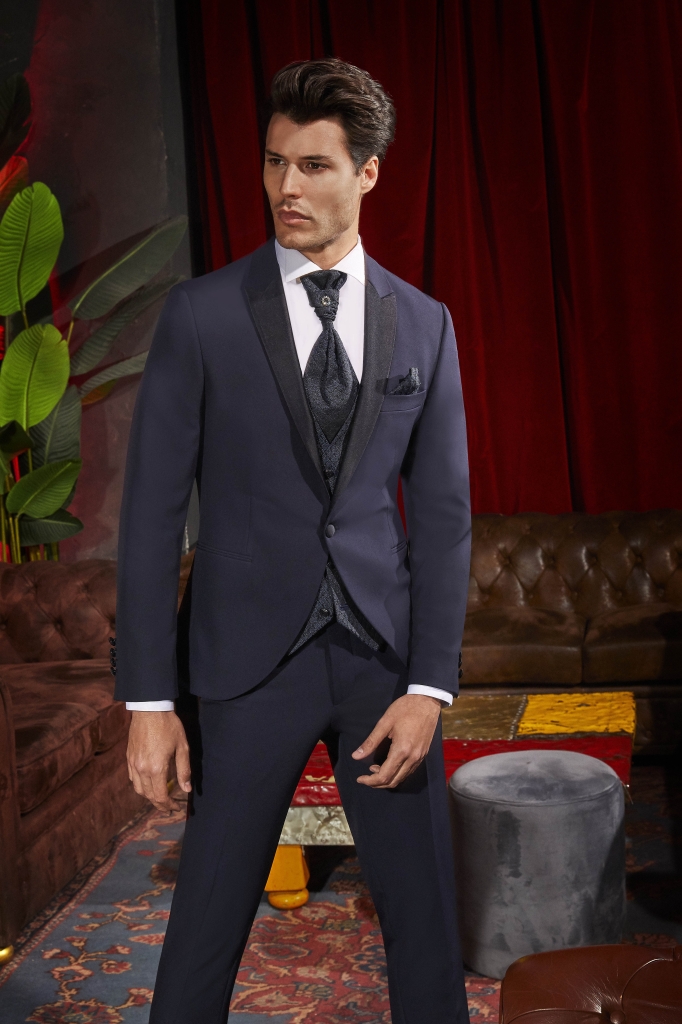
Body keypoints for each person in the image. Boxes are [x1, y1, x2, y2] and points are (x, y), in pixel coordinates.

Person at [114, 57, 471, 1024]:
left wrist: (430, 686)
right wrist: (150, 700)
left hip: (383, 668)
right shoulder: (201, 316)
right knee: (205, 925)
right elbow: (149, 518)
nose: (287, 187)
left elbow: (443, 521)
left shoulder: (425, 326)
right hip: (243, 667)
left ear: (368, 172)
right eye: (275, 162)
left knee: (424, 925)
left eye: (314, 165)